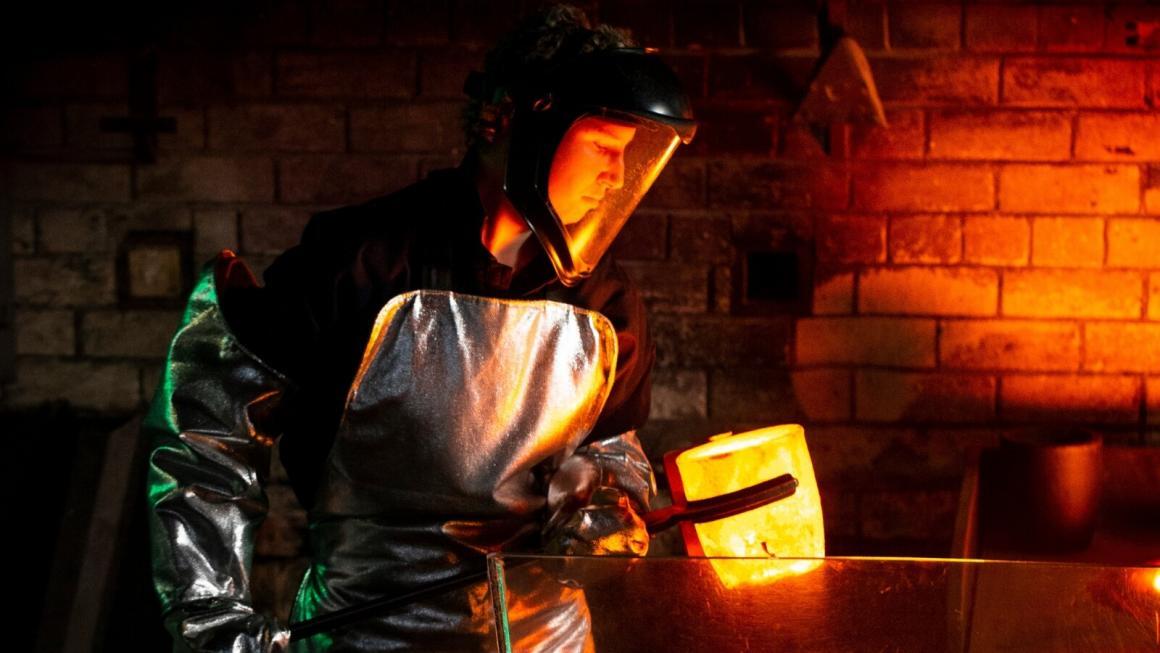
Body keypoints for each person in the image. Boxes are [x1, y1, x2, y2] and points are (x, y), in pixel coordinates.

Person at [145, 5, 695, 652]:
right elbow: (210, 439)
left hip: (551, 640)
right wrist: (212, 620)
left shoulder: (606, 304)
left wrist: (602, 504)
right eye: (603, 146)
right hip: (366, 636)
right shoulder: (360, 265)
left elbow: (609, 451)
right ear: (512, 120)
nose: (614, 175)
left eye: (627, 155)